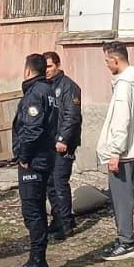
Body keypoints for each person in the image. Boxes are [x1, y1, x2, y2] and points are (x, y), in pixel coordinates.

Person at [96, 41, 134, 262]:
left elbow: (121, 120)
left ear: (116, 60)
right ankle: (123, 240)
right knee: (123, 196)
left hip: (122, 150)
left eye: (107, 61)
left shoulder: (125, 85)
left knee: (121, 198)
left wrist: (115, 151)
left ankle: (125, 243)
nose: (106, 65)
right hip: (130, 148)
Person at [10, 52, 58, 267]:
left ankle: (39, 264)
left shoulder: (36, 93)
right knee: (35, 208)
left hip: (35, 161)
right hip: (43, 158)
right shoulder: (46, 90)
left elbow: (33, 129)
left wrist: (24, 156)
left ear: (28, 70)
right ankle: (34, 260)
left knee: (33, 211)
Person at [43, 50, 82, 240]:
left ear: (58, 65)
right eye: (44, 67)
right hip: (49, 142)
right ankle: (58, 218)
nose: (47, 70)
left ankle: (66, 224)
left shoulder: (69, 87)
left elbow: (72, 116)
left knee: (59, 182)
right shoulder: (46, 86)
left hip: (64, 143)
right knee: (50, 182)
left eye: (50, 66)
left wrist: (63, 139)